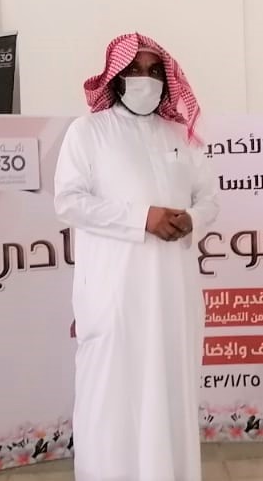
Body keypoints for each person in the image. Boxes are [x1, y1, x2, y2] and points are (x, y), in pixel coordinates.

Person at [53, 33, 218, 481]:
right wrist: (142, 218)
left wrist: (191, 219)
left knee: (170, 388)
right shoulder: (88, 132)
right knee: (112, 394)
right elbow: (69, 202)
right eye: (134, 70)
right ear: (115, 77)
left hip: (173, 293)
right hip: (115, 295)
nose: (145, 79)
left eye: (154, 71)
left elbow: (209, 198)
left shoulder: (180, 135)